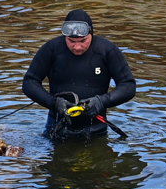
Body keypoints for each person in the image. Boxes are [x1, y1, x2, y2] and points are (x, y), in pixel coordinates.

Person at [22, 9, 136, 141]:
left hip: (96, 132)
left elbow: (128, 86)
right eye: (71, 41)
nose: (77, 47)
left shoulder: (107, 51)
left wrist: (101, 102)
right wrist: (54, 103)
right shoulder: (51, 49)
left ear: (91, 34)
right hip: (57, 130)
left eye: (82, 41)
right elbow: (29, 82)